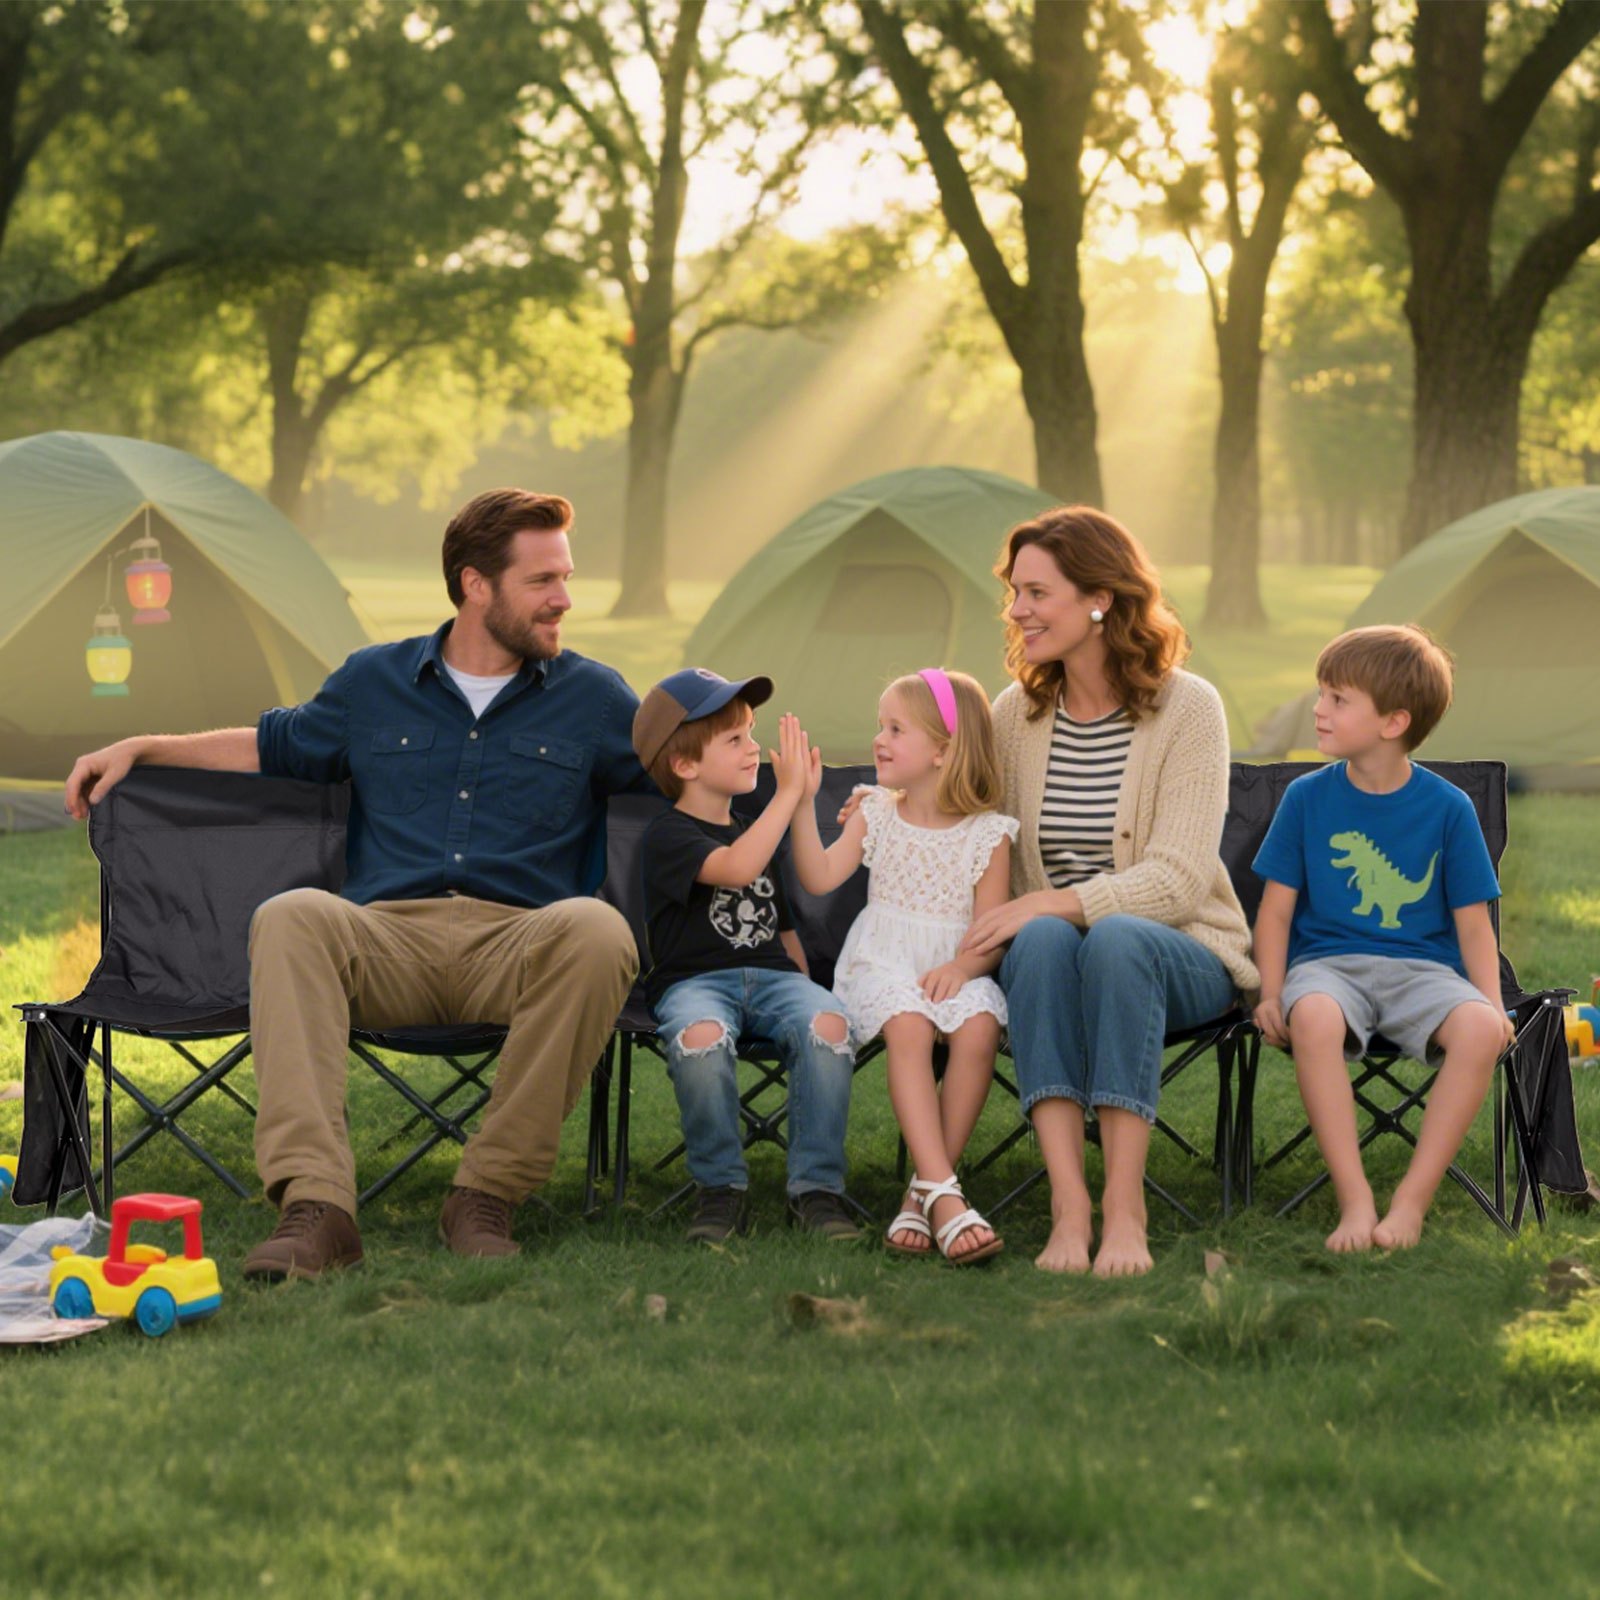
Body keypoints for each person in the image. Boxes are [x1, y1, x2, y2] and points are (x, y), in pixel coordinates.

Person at [63, 488, 650, 1279]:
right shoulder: (374, 682)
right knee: (292, 915)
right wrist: (144, 746)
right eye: (543, 580)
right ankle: (317, 1208)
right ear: (476, 585)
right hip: (385, 943)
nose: (564, 599)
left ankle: (486, 1195)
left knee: (600, 929)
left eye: (565, 578)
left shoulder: (596, 699)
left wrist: (783, 782)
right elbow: (273, 744)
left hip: (520, 946)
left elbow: (688, 770)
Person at [959, 506, 1258, 1277]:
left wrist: (1050, 902)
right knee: (1044, 939)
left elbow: (1179, 881)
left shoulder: (1189, 708)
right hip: (1054, 962)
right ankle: (1069, 1206)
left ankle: (1126, 1208)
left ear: (1100, 599)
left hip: (1181, 952)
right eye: (1015, 593)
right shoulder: (1014, 715)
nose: (1017, 611)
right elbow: (978, 838)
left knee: (1112, 937)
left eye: (1037, 593)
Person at [1251, 624, 1512, 1252]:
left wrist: (1492, 1003)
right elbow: (1275, 914)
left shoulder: (1449, 807)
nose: (1319, 709)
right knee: (1313, 1016)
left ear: (1393, 722)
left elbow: (1474, 923)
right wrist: (1271, 992)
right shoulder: (1305, 798)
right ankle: (1355, 1199)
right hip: (1327, 968)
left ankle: (1411, 1203)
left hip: (1424, 972)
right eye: (1322, 693)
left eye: (1338, 699)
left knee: (1481, 1029)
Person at [790, 669, 1016, 1264]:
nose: (879, 740)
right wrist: (802, 802)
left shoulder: (990, 835)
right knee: (910, 1025)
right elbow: (818, 877)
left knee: (979, 1027)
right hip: (883, 963)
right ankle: (946, 1195)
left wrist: (963, 969)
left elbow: (990, 934)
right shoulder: (877, 812)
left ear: (943, 750)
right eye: (880, 726)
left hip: (956, 967)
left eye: (896, 729)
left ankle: (921, 1194)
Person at [632, 671, 861, 1244]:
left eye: (752, 733)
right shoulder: (667, 836)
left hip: (774, 979)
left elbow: (783, 928)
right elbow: (735, 869)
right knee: (701, 1039)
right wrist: (787, 795)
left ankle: (816, 1191)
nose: (754, 748)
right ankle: (720, 1190)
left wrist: (806, 994)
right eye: (734, 739)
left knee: (829, 1025)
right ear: (684, 764)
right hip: (695, 984)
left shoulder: (752, 830)